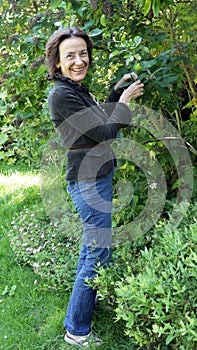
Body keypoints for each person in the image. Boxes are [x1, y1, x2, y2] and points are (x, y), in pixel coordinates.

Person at [45, 27, 144, 347]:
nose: (78, 60)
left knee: (95, 250)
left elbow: (98, 119)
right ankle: (76, 329)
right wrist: (126, 103)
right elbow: (104, 133)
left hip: (97, 178)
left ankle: (85, 305)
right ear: (57, 63)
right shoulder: (62, 94)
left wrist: (116, 94)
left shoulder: (75, 89)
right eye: (70, 55)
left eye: (83, 53)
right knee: (97, 254)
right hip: (88, 183)